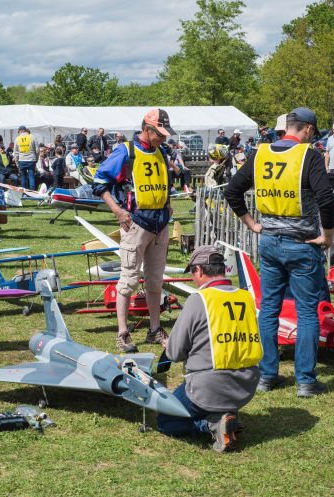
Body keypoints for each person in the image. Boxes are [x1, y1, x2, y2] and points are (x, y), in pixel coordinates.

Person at [224, 107, 334, 398]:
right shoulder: (309, 155)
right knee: (307, 312)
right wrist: (328, 235)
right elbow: (326, 199)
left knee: (269, 308)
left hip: (270, 242)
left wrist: (252, 224)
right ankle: (306, 381)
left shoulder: (260, 154)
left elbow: (232, 191)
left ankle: (267, 375)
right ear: (308, 129)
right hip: (302, 244)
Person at [157, 245, 261, 452]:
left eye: (192, 272)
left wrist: (170, 344)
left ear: (199, 270)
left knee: (165, 421)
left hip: (208, 386)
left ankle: (212, 425)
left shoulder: (199, 299)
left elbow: (175, 353)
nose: (193, 279)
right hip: (246, 385)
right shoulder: (246, 297)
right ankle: (227, 416)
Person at [92, 108, 175, 352]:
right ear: (147, 130)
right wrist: (118, 211)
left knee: (155, 281)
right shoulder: (126, 151)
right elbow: (99, 181)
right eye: (160, 134)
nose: (164, 138)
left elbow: (164, 182)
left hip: (160, 224)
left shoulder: (162, 152)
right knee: (128, 279)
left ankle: (154, 329)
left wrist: (168, 205)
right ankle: (123, 332)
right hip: (135, 223)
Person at [14, 125, 39, 190]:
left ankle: (24, 192)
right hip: (31, 159)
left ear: (20, 131)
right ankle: (32, 192)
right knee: (31, 177)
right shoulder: (32, 137)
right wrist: (36, 159)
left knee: (23, 177)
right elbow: (37, 150)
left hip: (22, 160)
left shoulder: (17, 139)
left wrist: (17, 163)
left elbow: (16, 152)